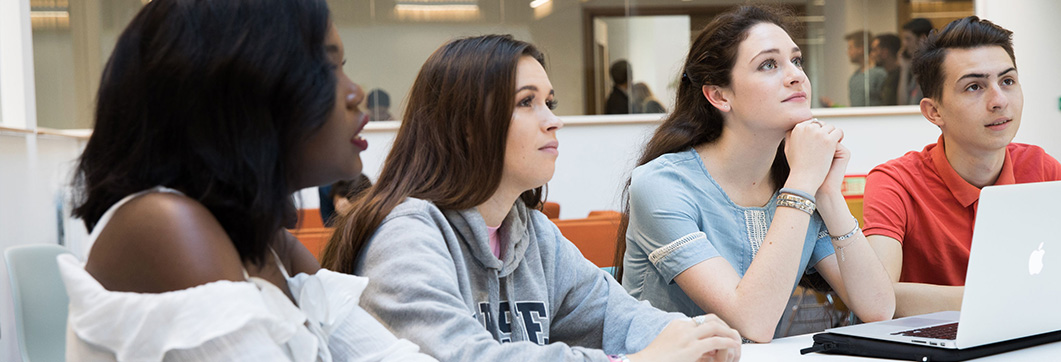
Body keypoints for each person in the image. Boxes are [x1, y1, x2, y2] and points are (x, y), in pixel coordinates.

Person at [320, 35, 742, 362]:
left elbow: (619, 317)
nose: (553, 120)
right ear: (466, 124)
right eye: (527, 102)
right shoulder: (406, 236)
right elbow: (461, 357)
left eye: (550, 102)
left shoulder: (532, 232)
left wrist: (693, 337)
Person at [62, 0, 435, 360]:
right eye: (327, 68)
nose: (356, 93)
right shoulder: (166, 224)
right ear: (242, 88)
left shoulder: (266, 242)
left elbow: (386, 356)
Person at [618, 4, 895, 343]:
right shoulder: (661, 184)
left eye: (796, 60)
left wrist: (827, 193)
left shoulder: (798, 178)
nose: (796, 76)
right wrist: (803, 182)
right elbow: (752, 323)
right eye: (768, 64)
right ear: (719, 95)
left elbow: (878, 309)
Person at [862, 16, 1061, 319]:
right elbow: (880, 297)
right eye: (974, 87)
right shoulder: (894, 182)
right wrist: (1021, 292)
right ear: (934, 111)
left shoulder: (1039, 167)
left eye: (1007, 81)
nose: (999, 100)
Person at [821, 31, 886, 107]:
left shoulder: (879, 74)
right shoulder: (855, 76)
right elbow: (854, 110)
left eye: (850, 47)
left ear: (861, 49)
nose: (848, 52)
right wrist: (833, 105)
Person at [898, 18, 933, 105]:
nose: (904, 44)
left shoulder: (932, 68)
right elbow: (903, 104)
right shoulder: (914, 70)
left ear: (922, 39)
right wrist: (904, 69)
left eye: (908, 39)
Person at [871, 33, 902, 106]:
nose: (872, 54)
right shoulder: (887, 76)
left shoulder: (901, 76)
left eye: (874, 50)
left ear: (885, 52)